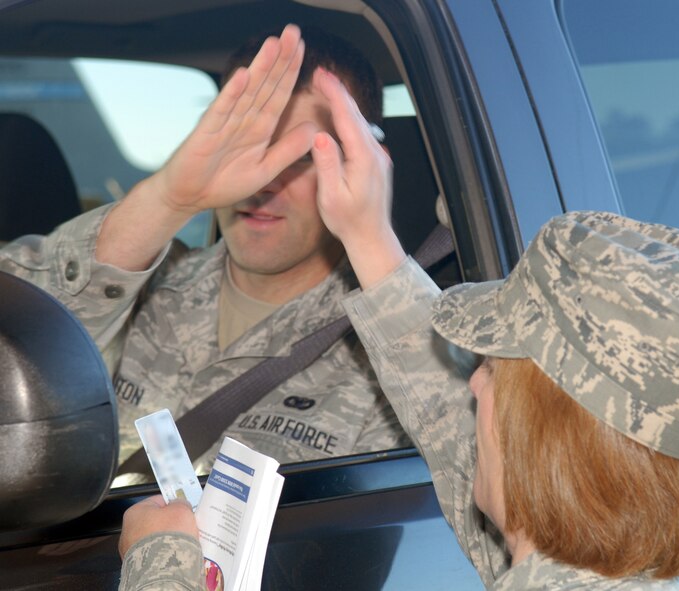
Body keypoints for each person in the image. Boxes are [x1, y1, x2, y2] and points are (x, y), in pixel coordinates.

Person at [117, 63, 679, 590]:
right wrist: (367, 234)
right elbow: (444, 416)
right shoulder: (592, 561)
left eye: (491, 366)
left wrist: (162, 568)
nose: (472, 387)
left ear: (541, 441)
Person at [0, 25, 410, 477]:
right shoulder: (138, 285)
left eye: (302, 155)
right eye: (247, 147)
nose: (263, 181)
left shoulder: (394, 355)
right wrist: (168, 199)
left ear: (364, 164)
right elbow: (16, 332)